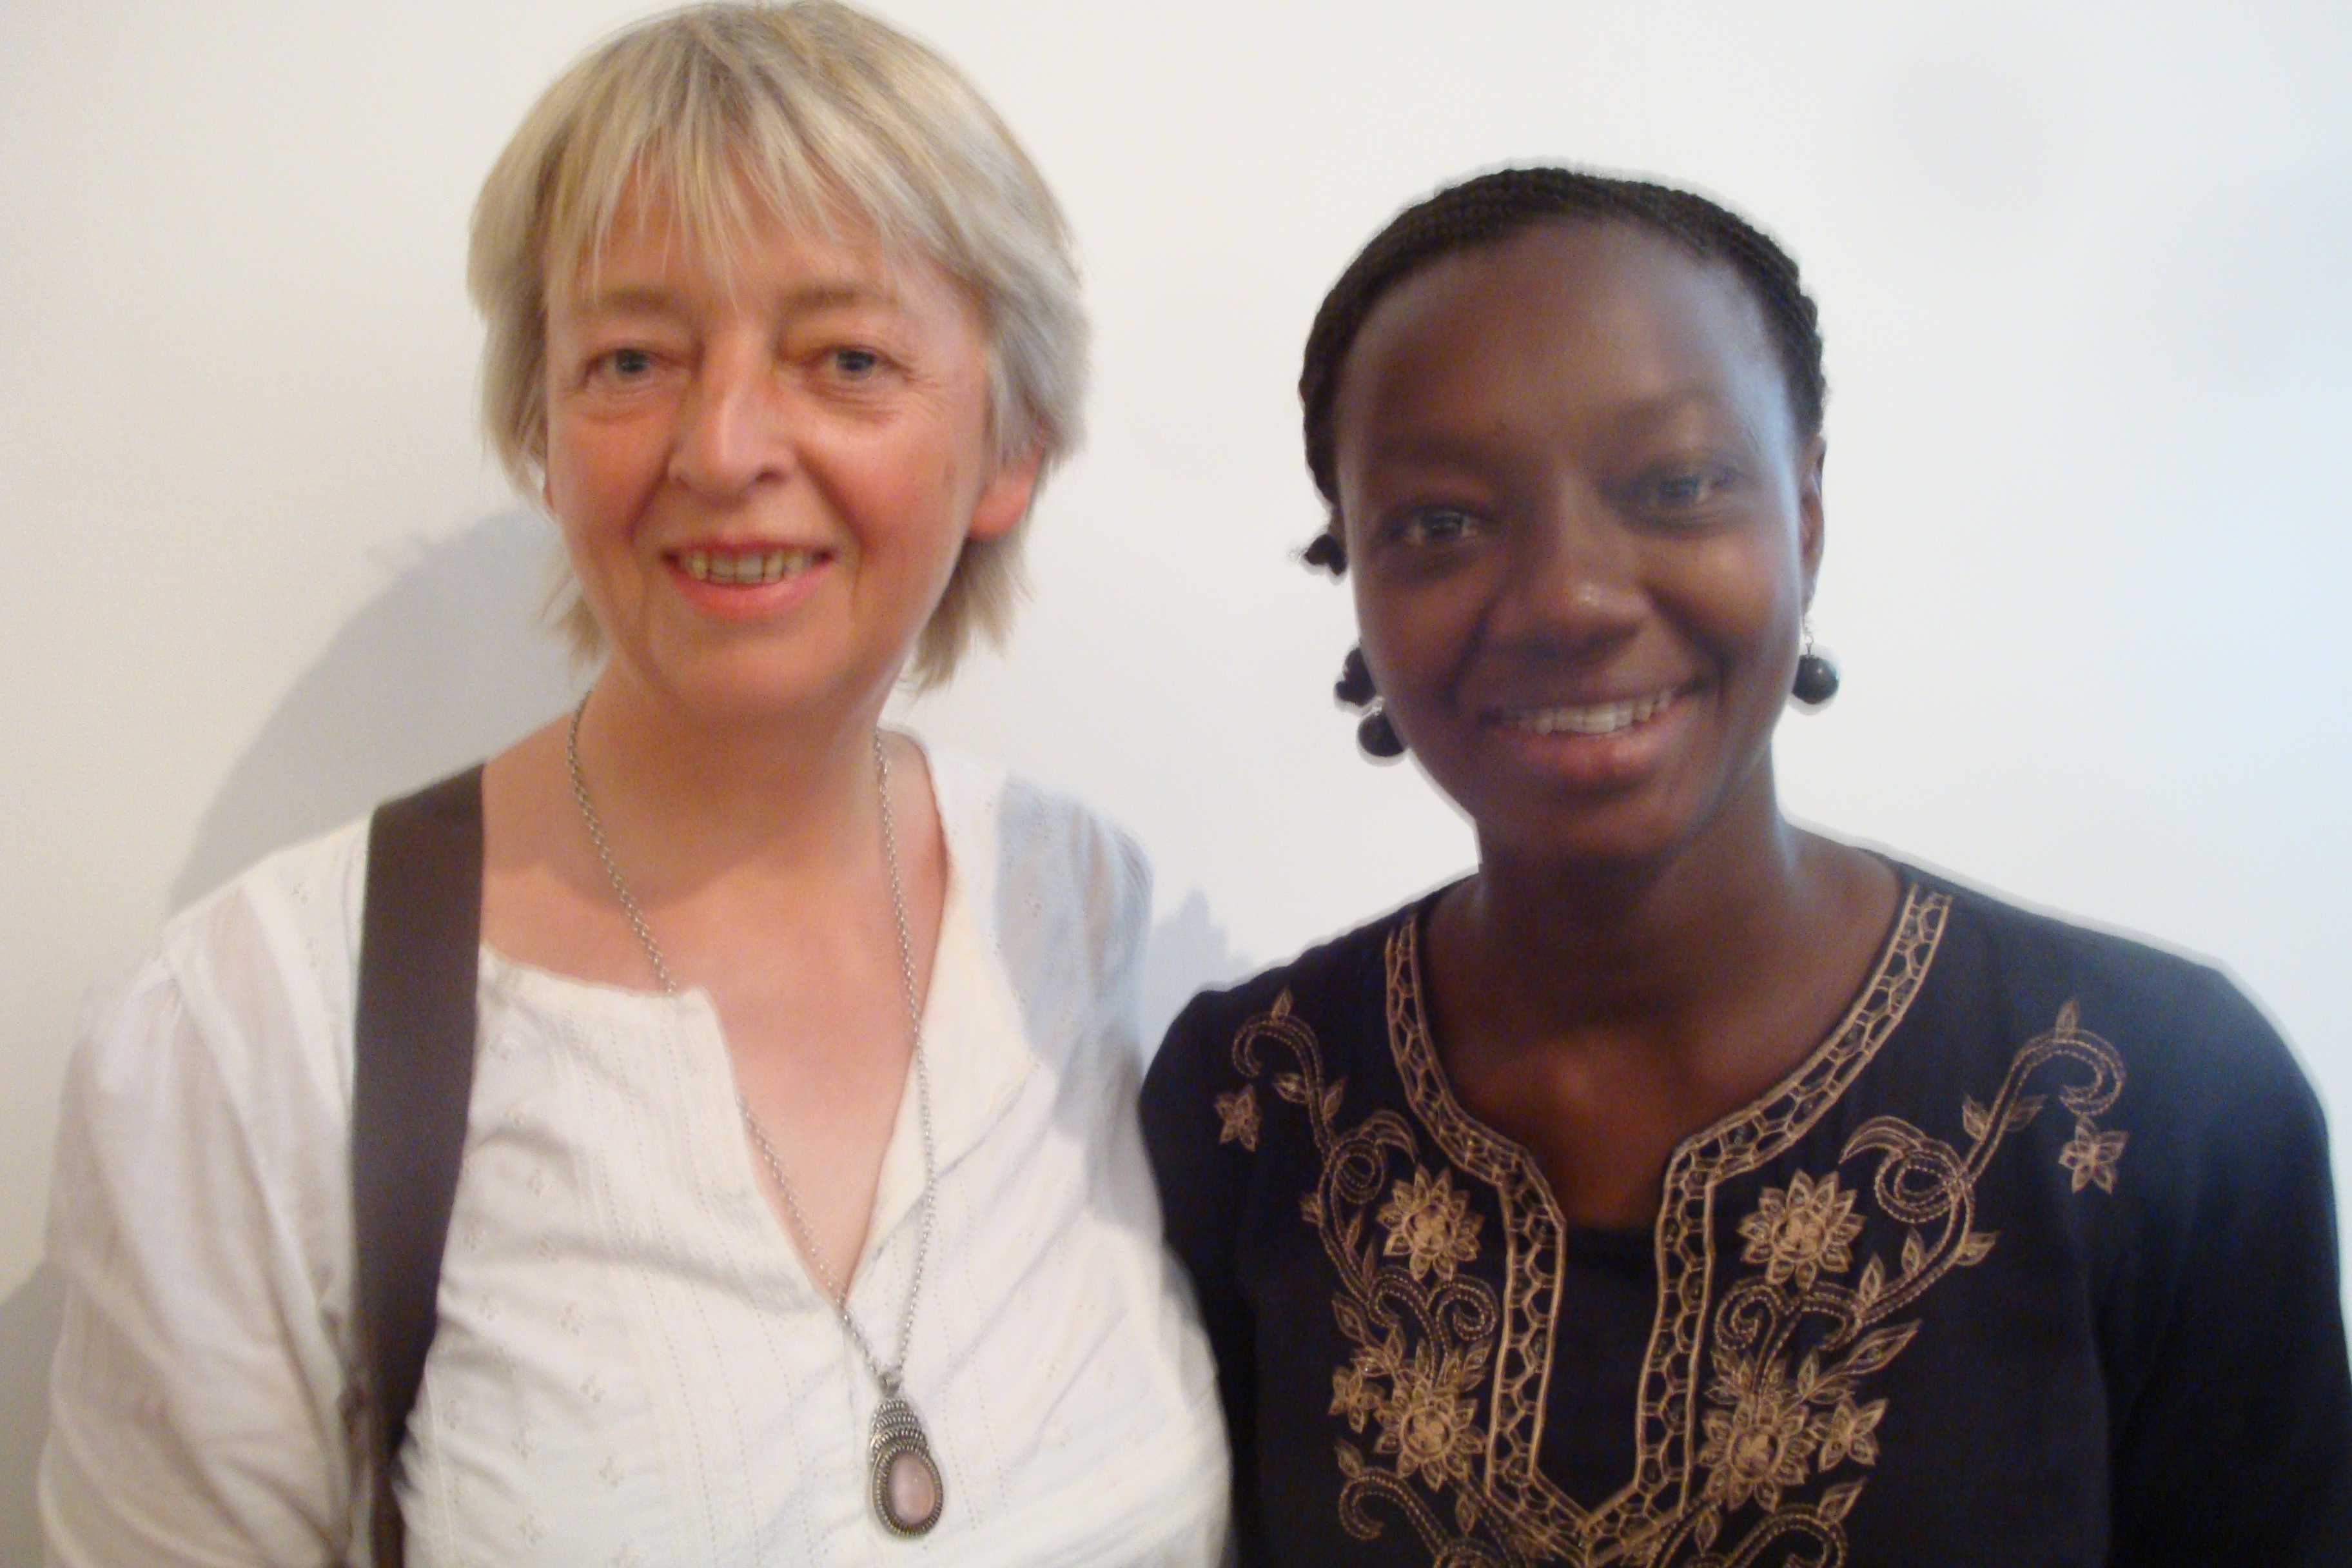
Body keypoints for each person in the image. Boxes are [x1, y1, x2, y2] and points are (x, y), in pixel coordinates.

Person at [42, 5, 1227, 1563]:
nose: (722, 448)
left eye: (846, 357)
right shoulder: (250, 1029)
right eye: (632, 359)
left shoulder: (1068, 899)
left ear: (1011, 447)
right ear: (543, 433)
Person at [1141, 166, 2350, 1567]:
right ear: (1354, 565)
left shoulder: (2150, 1100)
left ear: (1806, 515)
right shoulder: (1255, 1102)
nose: (1570, 600)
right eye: (1442, 523)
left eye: (1679, 488)